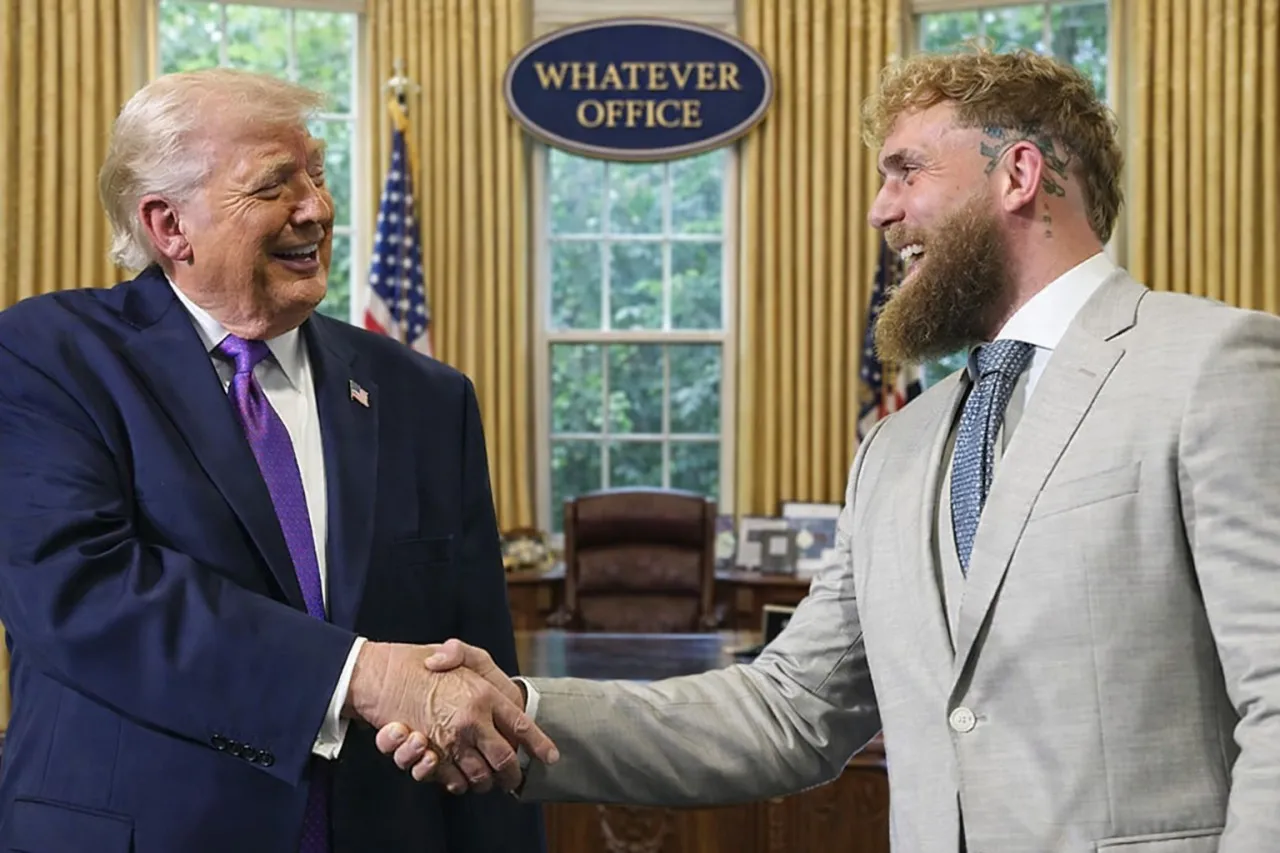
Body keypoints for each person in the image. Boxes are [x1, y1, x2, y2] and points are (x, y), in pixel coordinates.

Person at [376, 47, 1280, 852]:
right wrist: (520, 713)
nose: (881, 210)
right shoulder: (898, 446)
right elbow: (788, 711)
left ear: (1019, 173)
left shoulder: (1215, 366)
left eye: (906, 170)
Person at [0, 68, 556, 853]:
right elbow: (80, 590)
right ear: (169, 226)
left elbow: (476, 685)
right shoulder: (45, 358)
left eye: (319, 176)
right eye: (274, 186)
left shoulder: (427, 398)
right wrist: (358, 674)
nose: (319, 208)